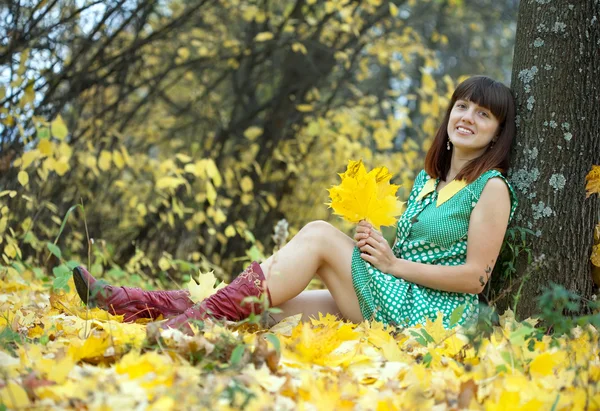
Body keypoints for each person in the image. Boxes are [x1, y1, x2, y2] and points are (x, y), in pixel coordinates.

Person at [72, 75, 517, 334]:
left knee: (320, 235)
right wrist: (380, 249)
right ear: (449, 115)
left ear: (497, 132)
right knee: (269, 306)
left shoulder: (491, 187)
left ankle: (182, 328)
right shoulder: (428, 181)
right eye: (462, 106)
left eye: (483, 114)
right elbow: (419, 255)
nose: (467, 118)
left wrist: (392, 266)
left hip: (431, 318)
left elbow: (475, 277)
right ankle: (128, 302)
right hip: (398, 295)